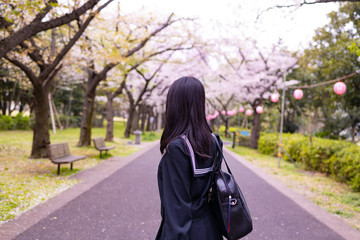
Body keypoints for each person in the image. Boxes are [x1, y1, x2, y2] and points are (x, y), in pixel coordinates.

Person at [156, 76, 223, 240]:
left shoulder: (177, 149)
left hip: (186, 232)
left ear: (174, 105)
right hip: (210, 228)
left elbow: (178, 208)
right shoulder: (214, 141)